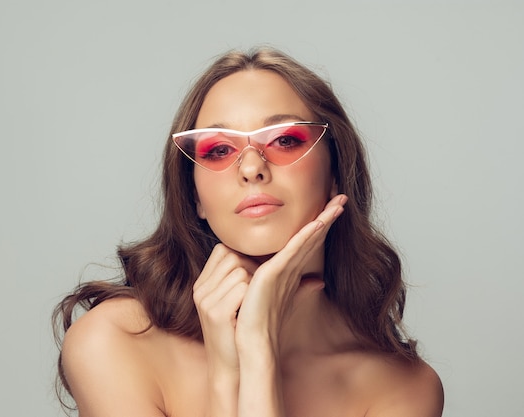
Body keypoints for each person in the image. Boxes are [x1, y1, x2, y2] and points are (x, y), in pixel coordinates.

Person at [52, 47, 444, 417]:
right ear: (196, 198)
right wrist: (228, 375)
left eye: (285, 140)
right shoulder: (114, 341)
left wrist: (259, 349)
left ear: (335, 173)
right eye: (218, 150)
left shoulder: (403, 388)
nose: (251, 167)